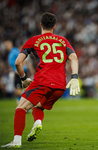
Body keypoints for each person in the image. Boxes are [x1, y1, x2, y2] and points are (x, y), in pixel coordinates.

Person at [1, 12, 80, 148]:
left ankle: (16, 141)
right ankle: (37, 122)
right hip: (60, 86)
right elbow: (74, 58)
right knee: (38, 106)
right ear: (54, 26)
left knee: (20, 109)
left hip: (42, 81)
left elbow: (18, 62)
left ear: (40, 25)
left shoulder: (33, 40)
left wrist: (24, 78)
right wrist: (74, 78)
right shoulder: (63, 41)